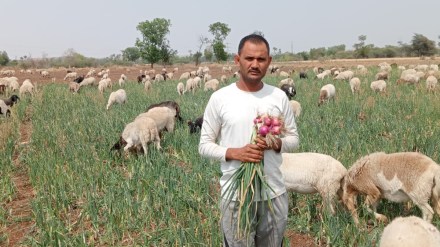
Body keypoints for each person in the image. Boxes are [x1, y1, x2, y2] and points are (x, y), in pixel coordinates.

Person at [198, 34, 299, 246]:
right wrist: (234, 152)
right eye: (249, 58)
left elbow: (293, 140)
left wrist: (276, 142)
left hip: (273, 194)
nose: (255, 64)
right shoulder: (220, 98)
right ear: (237, 60)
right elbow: (204, 146)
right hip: (236, 195)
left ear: (269, 62)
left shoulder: (279, 96)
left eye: (261, 59)